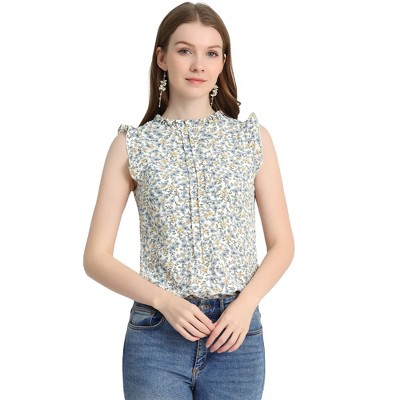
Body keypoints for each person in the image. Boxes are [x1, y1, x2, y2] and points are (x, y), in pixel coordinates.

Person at [83, 2, 294, 399]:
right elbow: (95, 257)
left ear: (222, 62)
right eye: (185, 50)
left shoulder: (251, 139)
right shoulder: (132, 145)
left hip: (235, 336)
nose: (198, 64)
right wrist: (164, 301)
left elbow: (282, 245)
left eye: (211, 53)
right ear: (162, 58)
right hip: (156, 336)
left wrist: (245, 305)